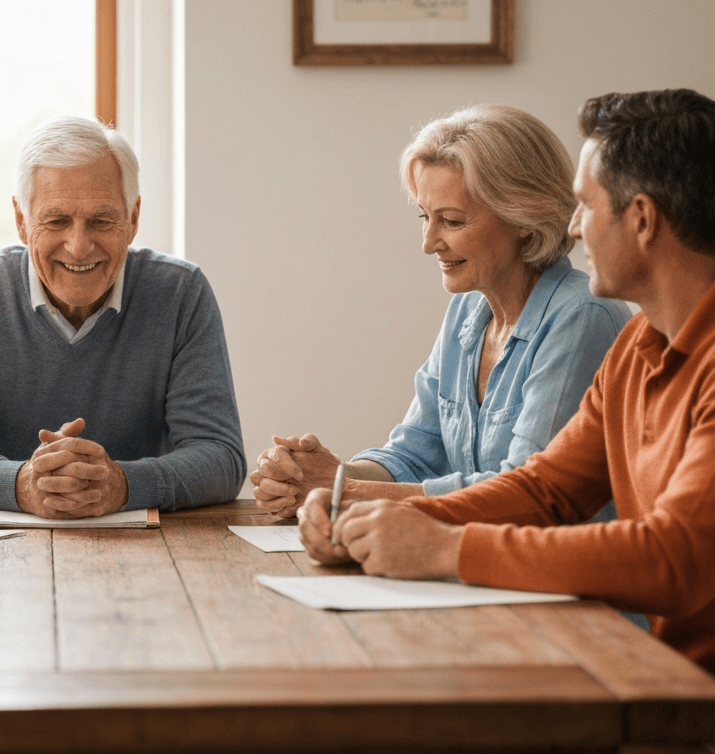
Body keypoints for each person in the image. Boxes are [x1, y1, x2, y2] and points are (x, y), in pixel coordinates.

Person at [301, 89, 715, 753]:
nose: (572, 228)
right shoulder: (640, 344)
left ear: (640, 219)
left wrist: (443, 546)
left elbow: (676, 559)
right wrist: (379, 525)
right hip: (643, 687)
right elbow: (544, 490)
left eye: (585, 204)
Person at [253, 105, 631, 517]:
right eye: (424, 217)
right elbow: (416, 453)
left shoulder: (582, 315)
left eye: (450, 221)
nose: (429, 242)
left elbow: (525, 494)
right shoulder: (468, 309)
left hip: (557, 574)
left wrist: (343, 490)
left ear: (523, 216)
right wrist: (323, 475)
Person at [0, 116, 245, 517]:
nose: (78, 245)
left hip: (151, 550)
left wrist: (121, 484)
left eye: (101, 221)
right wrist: (22, 484)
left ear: (133, 219)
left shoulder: (181, 292)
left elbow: (221, 458)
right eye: (56, 221)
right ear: (22, 220)